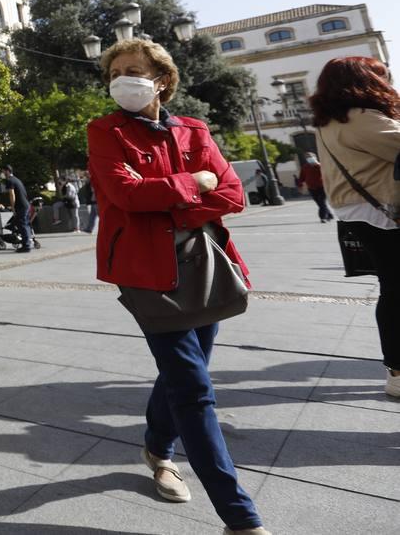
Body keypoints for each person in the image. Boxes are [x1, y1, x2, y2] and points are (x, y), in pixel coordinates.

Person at [88, 38, 270, 535]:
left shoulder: (194, 128)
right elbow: (125, 195)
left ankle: (157, 449)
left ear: (162, 80)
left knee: (183, 373)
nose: (121, 79)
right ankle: (241, 518)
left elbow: (233, 194)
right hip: (145, 271)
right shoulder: (104, 131)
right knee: (193, 387)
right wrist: (196, 183)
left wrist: (172, 197)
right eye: (115, 71)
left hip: (202, 264)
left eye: (133, 70)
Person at [309, 56, 400, 399]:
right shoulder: (361, 119)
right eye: (382, 75)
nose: (388, 81)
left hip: (361, 212)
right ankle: (396, 370)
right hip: (383, 213)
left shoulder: (331, 120)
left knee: (393, 289)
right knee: (396, 291)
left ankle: (396, 368)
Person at [0, 165, 37, 253]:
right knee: (25, 224)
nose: (2, 173)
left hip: (21, 206)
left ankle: (26, 246)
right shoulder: (17, 179)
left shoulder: (9, 180)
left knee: (22, 225)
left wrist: (13, 207)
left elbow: (12, 194)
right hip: (26, 204)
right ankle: (26, 244)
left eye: (3, 171)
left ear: (7, 171)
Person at [296, 153, 333, 223]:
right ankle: (329, 214)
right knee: (319, 203)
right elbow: (301, 178)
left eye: (310, 157)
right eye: (307, 157)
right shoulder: (305, 167)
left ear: (315, 157)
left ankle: (323, 218)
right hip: (311, 188)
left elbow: (328, 176)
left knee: (322, 202)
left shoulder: (320, 166)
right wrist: (299, 186)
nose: (309, 158)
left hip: (322, 187)